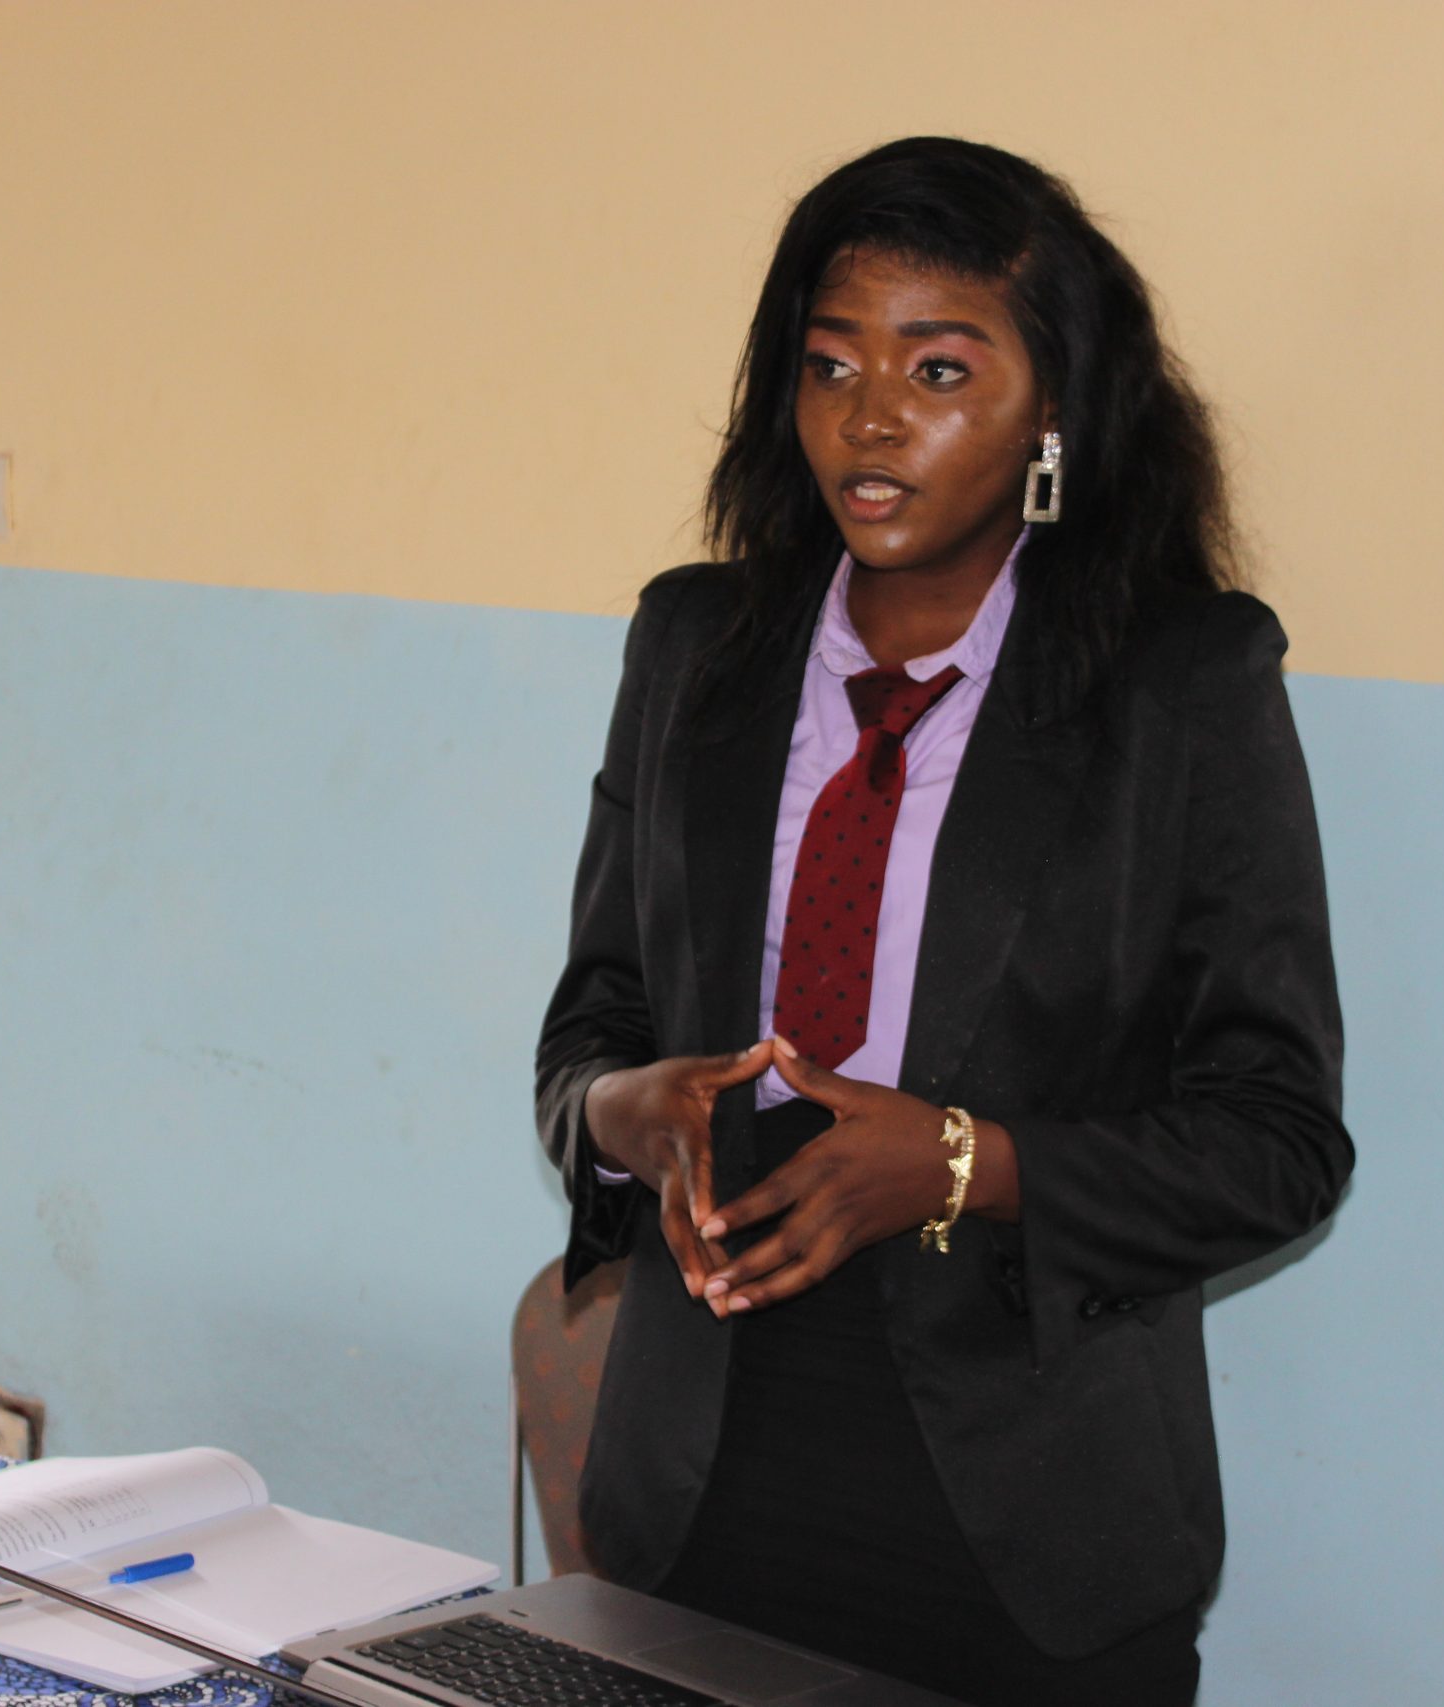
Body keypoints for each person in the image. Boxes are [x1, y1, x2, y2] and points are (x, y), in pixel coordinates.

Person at [533, 136, 1350, 1707]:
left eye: (940, 369)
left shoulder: (1181, 688)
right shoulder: (694, 650)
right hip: (699, 1479)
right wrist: (631, 1116)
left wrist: (964, 1161)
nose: (872, 417)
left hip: (1033, 1517)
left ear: (1053, 410)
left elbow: (1278, 1140)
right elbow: (592, 1032)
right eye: (830, 364)